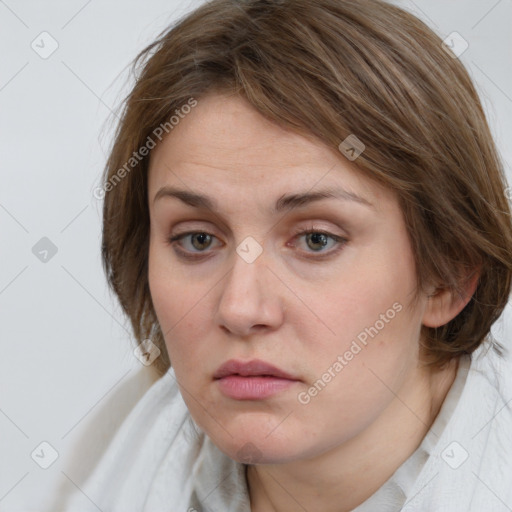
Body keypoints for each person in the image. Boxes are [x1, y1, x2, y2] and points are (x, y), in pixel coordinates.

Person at [64, 0, 512, 510]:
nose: (239, 308)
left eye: (317, 240)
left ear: (449, 276)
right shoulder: (107, 455)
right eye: (198, 239)